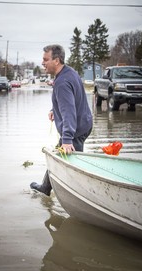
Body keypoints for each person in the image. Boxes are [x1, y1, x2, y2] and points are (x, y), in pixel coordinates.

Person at [30, 44, 93, 196]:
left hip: (76, 129)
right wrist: (54, 110)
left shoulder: (62, 82)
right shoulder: (68, 72)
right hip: (83, 123)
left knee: (72, 166)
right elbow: (69, 101)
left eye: (46, 59)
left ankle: (85, 196)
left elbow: (69, 112)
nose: (43, 63)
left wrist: (67, 139)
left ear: (56, 60)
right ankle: (46, 187)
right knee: (58, 157)